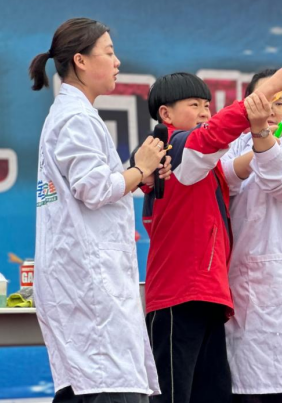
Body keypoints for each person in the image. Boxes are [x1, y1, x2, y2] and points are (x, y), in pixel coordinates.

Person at [142, 64, 282, 403]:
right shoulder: (174, 148)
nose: (204, 113)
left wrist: (264, 135)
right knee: (175, 395)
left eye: (207, 106)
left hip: (214, 294)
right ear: (166, 113)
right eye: (194, 105)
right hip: (182, 290)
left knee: (212, 394)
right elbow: (215, 142)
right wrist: (262, 118)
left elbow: (266, 172)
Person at [30, 17, 170, 403]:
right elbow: (93, 188)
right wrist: (138, 168)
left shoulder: (74, 114)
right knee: (107, 387)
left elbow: (95, 186)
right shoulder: (75, 118)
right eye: (108, 52)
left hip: (87, 281)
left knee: (94, 386)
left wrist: (140, 174)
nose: (117, 61)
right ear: (80, 60)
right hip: (88, 284)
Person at [220, 68, 282, 403]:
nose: (271, 109)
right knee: (239, 386)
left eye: (280, 102)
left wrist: (263, 135)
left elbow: (280, 178)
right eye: (264, 100)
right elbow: (225, 177)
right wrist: (258, 137)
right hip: (234, 285)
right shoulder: (232, 146)